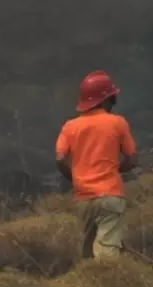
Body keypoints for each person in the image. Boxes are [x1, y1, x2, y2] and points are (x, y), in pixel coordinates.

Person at [55, 70, 138, 259]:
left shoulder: (70, 127)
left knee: (87, 251)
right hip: (110, 194)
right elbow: (133, 159)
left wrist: (74, 177)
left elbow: (60, 158)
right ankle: (107, 284)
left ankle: (88, 285)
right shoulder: (117, 123)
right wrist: (114, 170)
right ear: (107, 99)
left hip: (83, 199)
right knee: (107, 252)